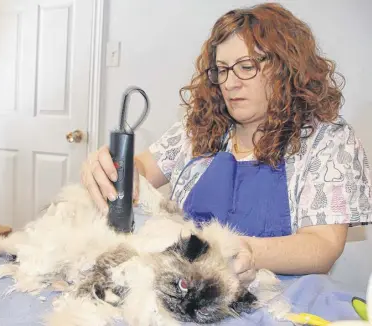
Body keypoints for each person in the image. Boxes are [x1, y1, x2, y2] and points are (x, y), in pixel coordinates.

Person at [81, 3, 372, 286]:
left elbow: (322, 246)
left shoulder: (328, 140)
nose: (230, 83)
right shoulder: (198, 129)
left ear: (287, 69)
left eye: (246, 67)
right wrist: (111, 167)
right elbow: (141, 168)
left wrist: (236, 251)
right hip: (185, 291)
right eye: (222, 69)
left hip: (282, 299)